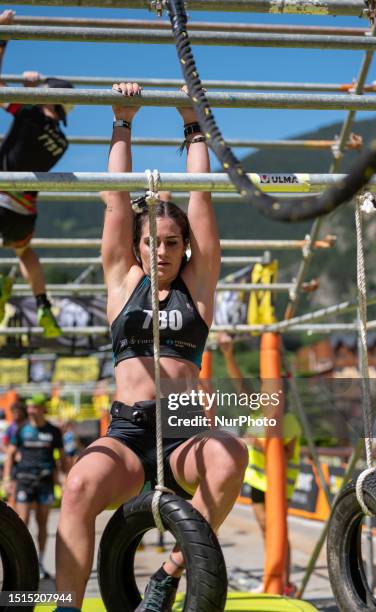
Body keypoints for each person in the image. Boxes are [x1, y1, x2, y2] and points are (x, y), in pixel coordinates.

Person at [53, 82, 248, 612]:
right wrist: (123, 120)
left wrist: (191, 119)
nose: (161, 251)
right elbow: (116, 200)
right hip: (129, 431)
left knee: (232, 455)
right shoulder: (122, 282)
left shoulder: (197, 287)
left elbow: (201, 194)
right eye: (151, 242)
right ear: (137, 246)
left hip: (184, 433)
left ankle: (168, 574)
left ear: (185, 248)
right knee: (77, 489)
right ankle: (64, 605)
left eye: (171, 242)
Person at [0, 9, 74, 337]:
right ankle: (43, 303)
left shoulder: (30, 114)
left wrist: (3, 37)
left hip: (2, 197)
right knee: (24, 252)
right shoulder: (62, 141)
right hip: (26, 213)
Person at [217, 332, 302, 595]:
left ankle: (283, 581)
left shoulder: (287, 421)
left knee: (276, 532)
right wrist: (228, 355)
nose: (263, 390)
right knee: (267, 531)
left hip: (277, 485)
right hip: (257, 481)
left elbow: (284, 453)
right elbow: (239, 385)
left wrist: (255, 442)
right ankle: (276, 577)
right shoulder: (257, 409)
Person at [3, 393, 68, 579]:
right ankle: (22, 562)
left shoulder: (53, 431)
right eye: (29, 407)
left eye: (34, 407)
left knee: (42, 523)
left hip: (45, 482)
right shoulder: (21, 430)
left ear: (42, 408)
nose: (30, 410)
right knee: (22, 522)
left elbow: (63, 458)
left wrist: (65, 479)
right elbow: (10, 455)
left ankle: (39, 562)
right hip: (24, 480)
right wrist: (8, 479)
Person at [3, 399, 28, 509]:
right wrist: (12, 453)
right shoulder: (10, 428)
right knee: (12, 492)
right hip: (14, 465)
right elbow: (4, 444)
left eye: (17, 412)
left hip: (27, 465)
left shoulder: (29, 426)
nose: (15, 415)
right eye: (13, 412)